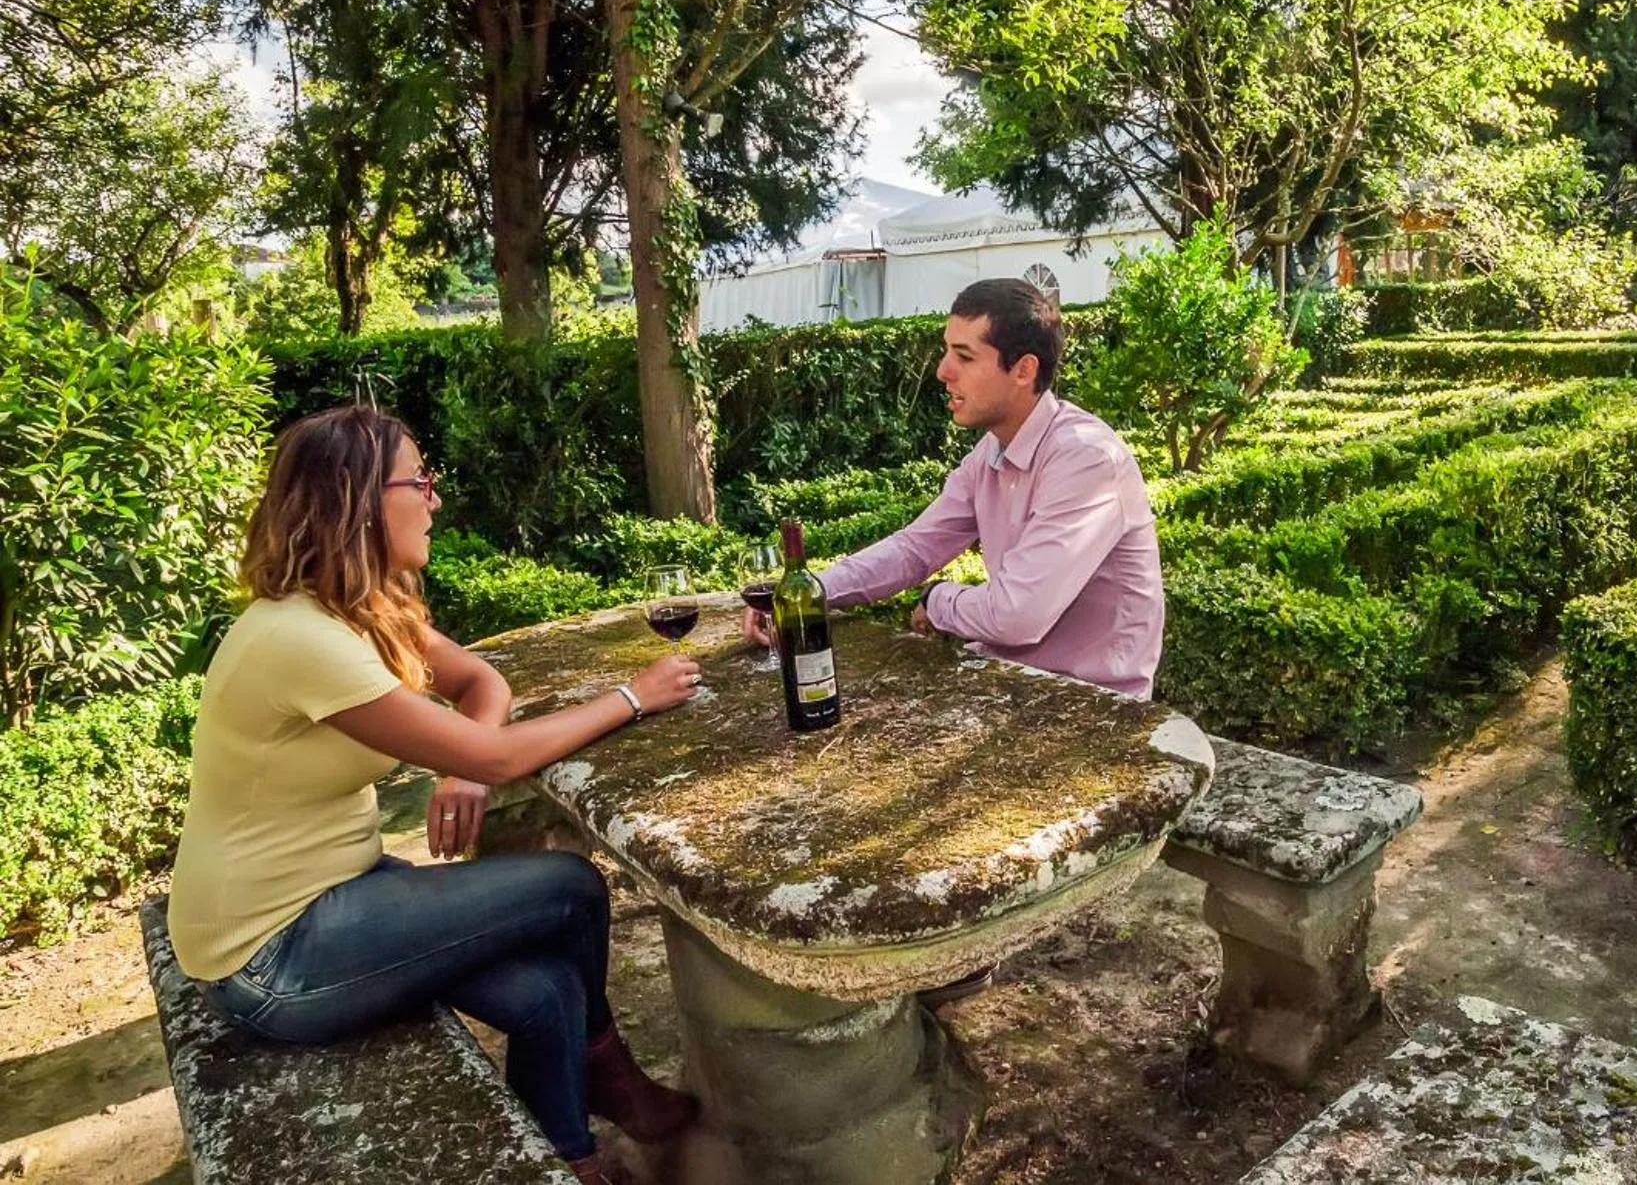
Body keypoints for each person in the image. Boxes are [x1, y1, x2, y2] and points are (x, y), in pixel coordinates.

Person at [167, 406, 703, 1185]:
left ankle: (563, 1158)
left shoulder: (358, 611)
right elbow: (498, 746)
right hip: (270, 953)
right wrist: (634, 695)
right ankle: (609, 1080)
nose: (435, 498)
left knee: (548, 989)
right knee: (570, 886)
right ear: (355, 498)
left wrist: (464, 771)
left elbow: (481, 683)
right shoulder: (299, 639)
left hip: (343, 892)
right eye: (418, 480)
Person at [747, 277, 1164, 700]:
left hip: (1093, 713)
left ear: (1024, 370)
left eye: (964, 356)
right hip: (1012, 689)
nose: (942, 371)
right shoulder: (992, 452)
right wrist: (806, 595)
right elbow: (915, 549)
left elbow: (1018, 616)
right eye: (947, 350)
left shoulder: (1085, 458)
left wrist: (937, 600)